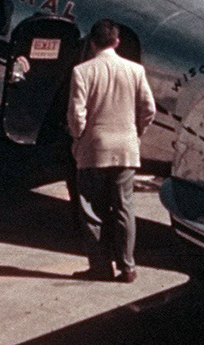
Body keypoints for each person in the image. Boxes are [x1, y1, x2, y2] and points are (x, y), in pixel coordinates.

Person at [66, 19, 156, 282]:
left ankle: (100, 266)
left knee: (92, 210)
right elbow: (149, 109)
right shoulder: (136, 70)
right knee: (124, 208)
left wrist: (77, 137)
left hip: (93, 149)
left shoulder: (82, 72)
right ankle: (128, 267)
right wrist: (135, 132)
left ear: (92, 43)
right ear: (117, 41)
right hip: (126, 149)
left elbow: (76, 114)